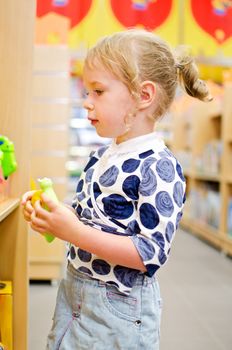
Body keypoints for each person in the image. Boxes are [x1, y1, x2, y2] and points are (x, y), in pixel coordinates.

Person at [21, 29, 212, 349]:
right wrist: (55, 215)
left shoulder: (159, 167)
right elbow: (86, 218)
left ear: (144, 96)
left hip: (118, 309)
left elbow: (149, 254)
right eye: (86, 91)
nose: (86, 102)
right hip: (74, 294)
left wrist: (74, 232)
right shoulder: (101, 156)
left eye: (98, 91)